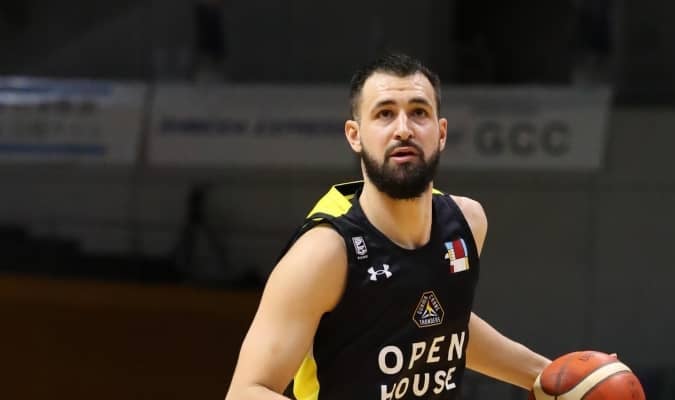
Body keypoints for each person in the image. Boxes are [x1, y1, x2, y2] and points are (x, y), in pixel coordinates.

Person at [225, 53, 551, 400]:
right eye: (384, 114)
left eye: (419, 112)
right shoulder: (324, 254)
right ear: (355, 135)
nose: (403, 129)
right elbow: (246, 392)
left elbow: (440, 324)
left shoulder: (466, 224)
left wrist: (545, 375)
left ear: (441, 133)